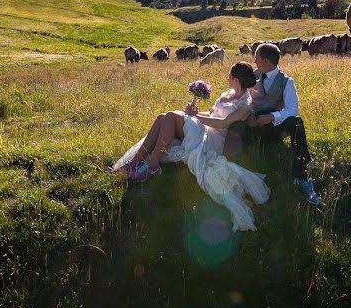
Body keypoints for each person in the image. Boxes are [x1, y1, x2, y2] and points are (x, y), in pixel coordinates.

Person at [111, 62, 270, 231]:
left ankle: (152, 166)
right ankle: (136, 162)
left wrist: (196, 117)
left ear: (236, 79)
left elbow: (223, 123)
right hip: (205, 127)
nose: (227, 78)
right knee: (162, 117)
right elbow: (211, 114)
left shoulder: (245, 104)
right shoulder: (228, 93)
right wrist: (194, 113)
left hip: (213, 139)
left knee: (171, 116)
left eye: (229, 76)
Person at [226, 43, 321, 204]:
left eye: (256, 59)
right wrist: (247, 116)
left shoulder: (287, 82)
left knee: (297, 122)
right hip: (250, 123)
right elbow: (236, 96)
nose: (254, 62)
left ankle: (302, 177)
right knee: (233, 127)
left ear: (266, 61)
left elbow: (293, 109)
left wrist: (272, 116)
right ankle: (232, 175)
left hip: (272, 127)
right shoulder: (251, 75)